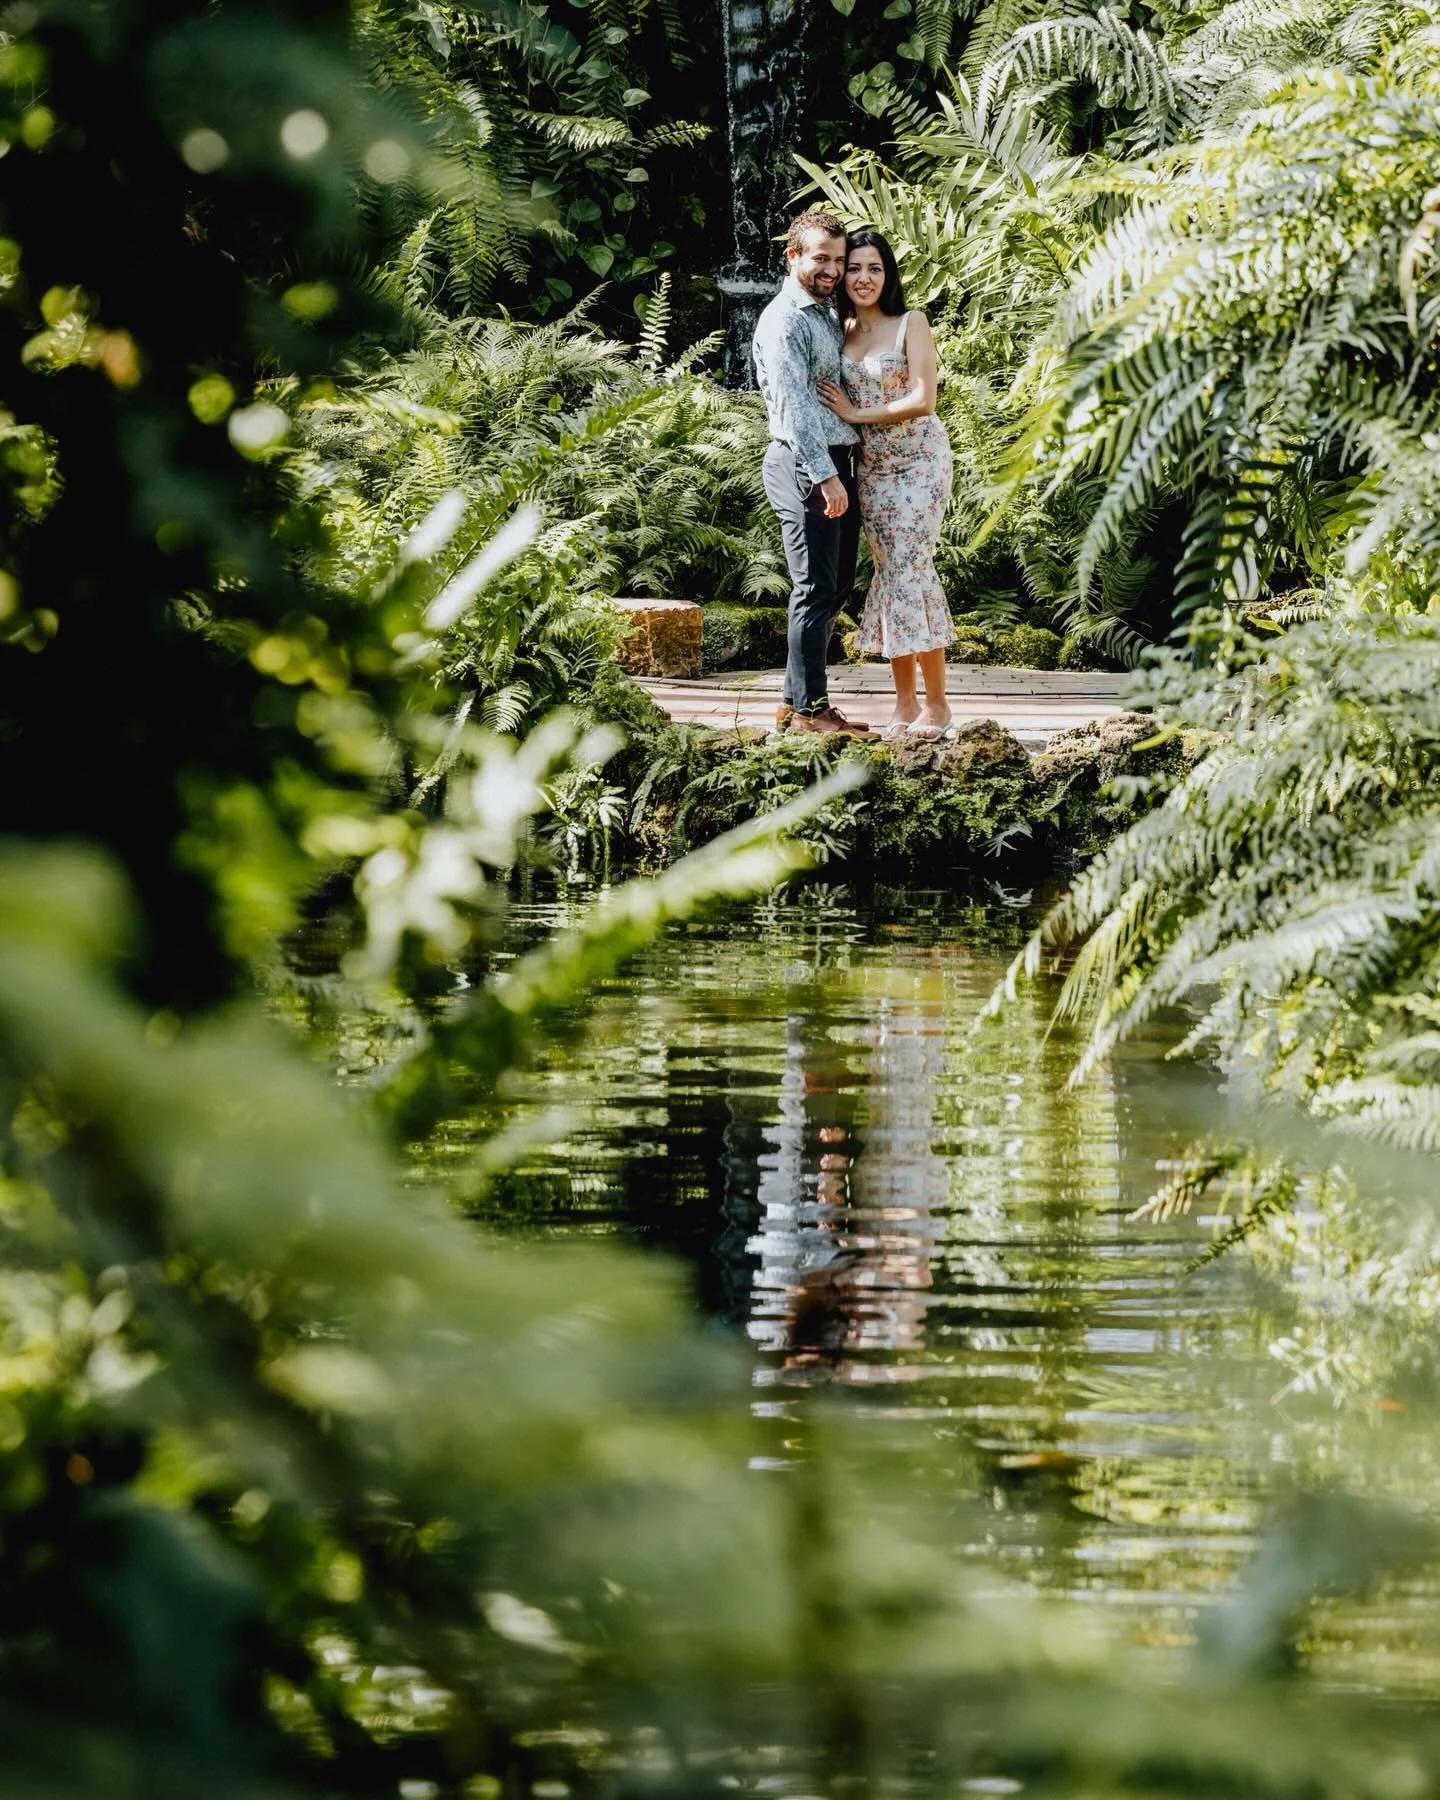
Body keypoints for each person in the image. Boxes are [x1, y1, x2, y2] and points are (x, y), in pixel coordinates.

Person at [819, 228, 956, 741]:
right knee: (890, 573)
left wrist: (857, 411)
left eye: (874, 268)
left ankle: (938, 706)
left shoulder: (909, 324)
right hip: (872, 469)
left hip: (920, 462)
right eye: (854, 268)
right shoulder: (840, 329)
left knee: (910, 569)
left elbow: (924, 399)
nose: (863, 277)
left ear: (888, 274)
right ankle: (904, 702)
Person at [752, 211, 876, 739]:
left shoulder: (825, 311)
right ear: (794, 257)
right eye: (821, 258)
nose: (832, 269)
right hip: (805, 464)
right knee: (814, 588)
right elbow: (795, 407)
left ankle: (791, 702)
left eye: (838, 260)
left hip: (833, 463)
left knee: (836, 586)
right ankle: (811, 709)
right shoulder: (785, 320)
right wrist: (825, 476)